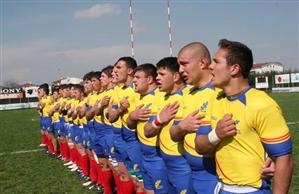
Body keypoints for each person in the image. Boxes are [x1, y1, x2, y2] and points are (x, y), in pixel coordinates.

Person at [195, 39, 293, 194]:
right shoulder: (214, 100)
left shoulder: (262, 103)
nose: (210, 66)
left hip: (254, 190)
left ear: (234, 69)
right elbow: (199, 146)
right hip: (222, 188)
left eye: (216, 62)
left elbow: (284, 159)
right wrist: (217, 135)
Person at [170, 42, 219, 193]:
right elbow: (173, 134)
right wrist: (181, 127)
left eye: (184, 64)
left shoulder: (220, 92)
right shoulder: (187, 95)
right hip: (192, 173)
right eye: (179, 65)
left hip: (216, 175)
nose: (180, 70)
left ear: (203, 63)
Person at [144, 57, 192, 194]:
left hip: (183, 163)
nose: (157, 78)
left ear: (176, 76)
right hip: (163, 159)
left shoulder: (188, 96)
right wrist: (159, 120)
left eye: (162, 74)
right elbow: (148, 131)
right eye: (157, 74)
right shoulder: (160, 96)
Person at [127, 63, 169, 194]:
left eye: (138, 77)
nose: (134, 80)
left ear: (149, 79)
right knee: (148, 189)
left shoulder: (161, 96)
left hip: (157, 155)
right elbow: (130, 124)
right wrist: (132, 117)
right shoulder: (140, 97)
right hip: (143, 152)